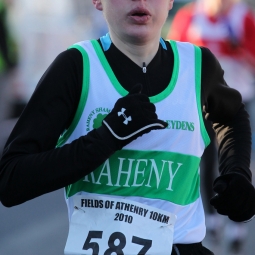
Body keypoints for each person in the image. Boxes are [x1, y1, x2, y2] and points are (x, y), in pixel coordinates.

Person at [0, 0, 255, 254]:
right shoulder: (76, 67)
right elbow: (11, 181)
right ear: (98, 2)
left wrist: (238, 170)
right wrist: (105, 139)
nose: (141, 1)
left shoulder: (198, 65)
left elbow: (233, 116)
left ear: (170, 2)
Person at [167, 0, 255, 252]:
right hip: (202, 100)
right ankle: (211, 217)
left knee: (237, 158)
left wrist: (239, 49)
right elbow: (172, 57)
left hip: (237, 98)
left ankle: (238, 223)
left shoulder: (242, 17)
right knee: (204, 160)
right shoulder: (189, 17)